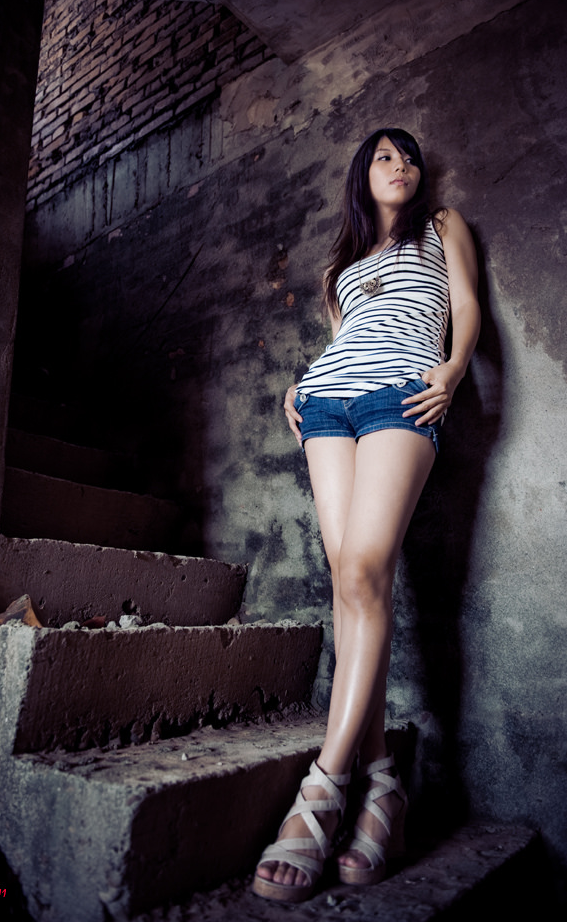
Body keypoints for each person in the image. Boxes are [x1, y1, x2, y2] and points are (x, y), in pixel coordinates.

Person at [252, 128, 480, 903]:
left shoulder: (441, 226)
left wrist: (453, 369)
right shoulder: (339, 268)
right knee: (349, 588)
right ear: (362, 173)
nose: (400, 165)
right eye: (384, 155)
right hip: (325, 404)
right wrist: (301, 382)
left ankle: (323, 786)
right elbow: (346, 337)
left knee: (361, 572)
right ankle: (383, 786)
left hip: (401, 397)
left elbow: (466, 305)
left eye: (408, 156)